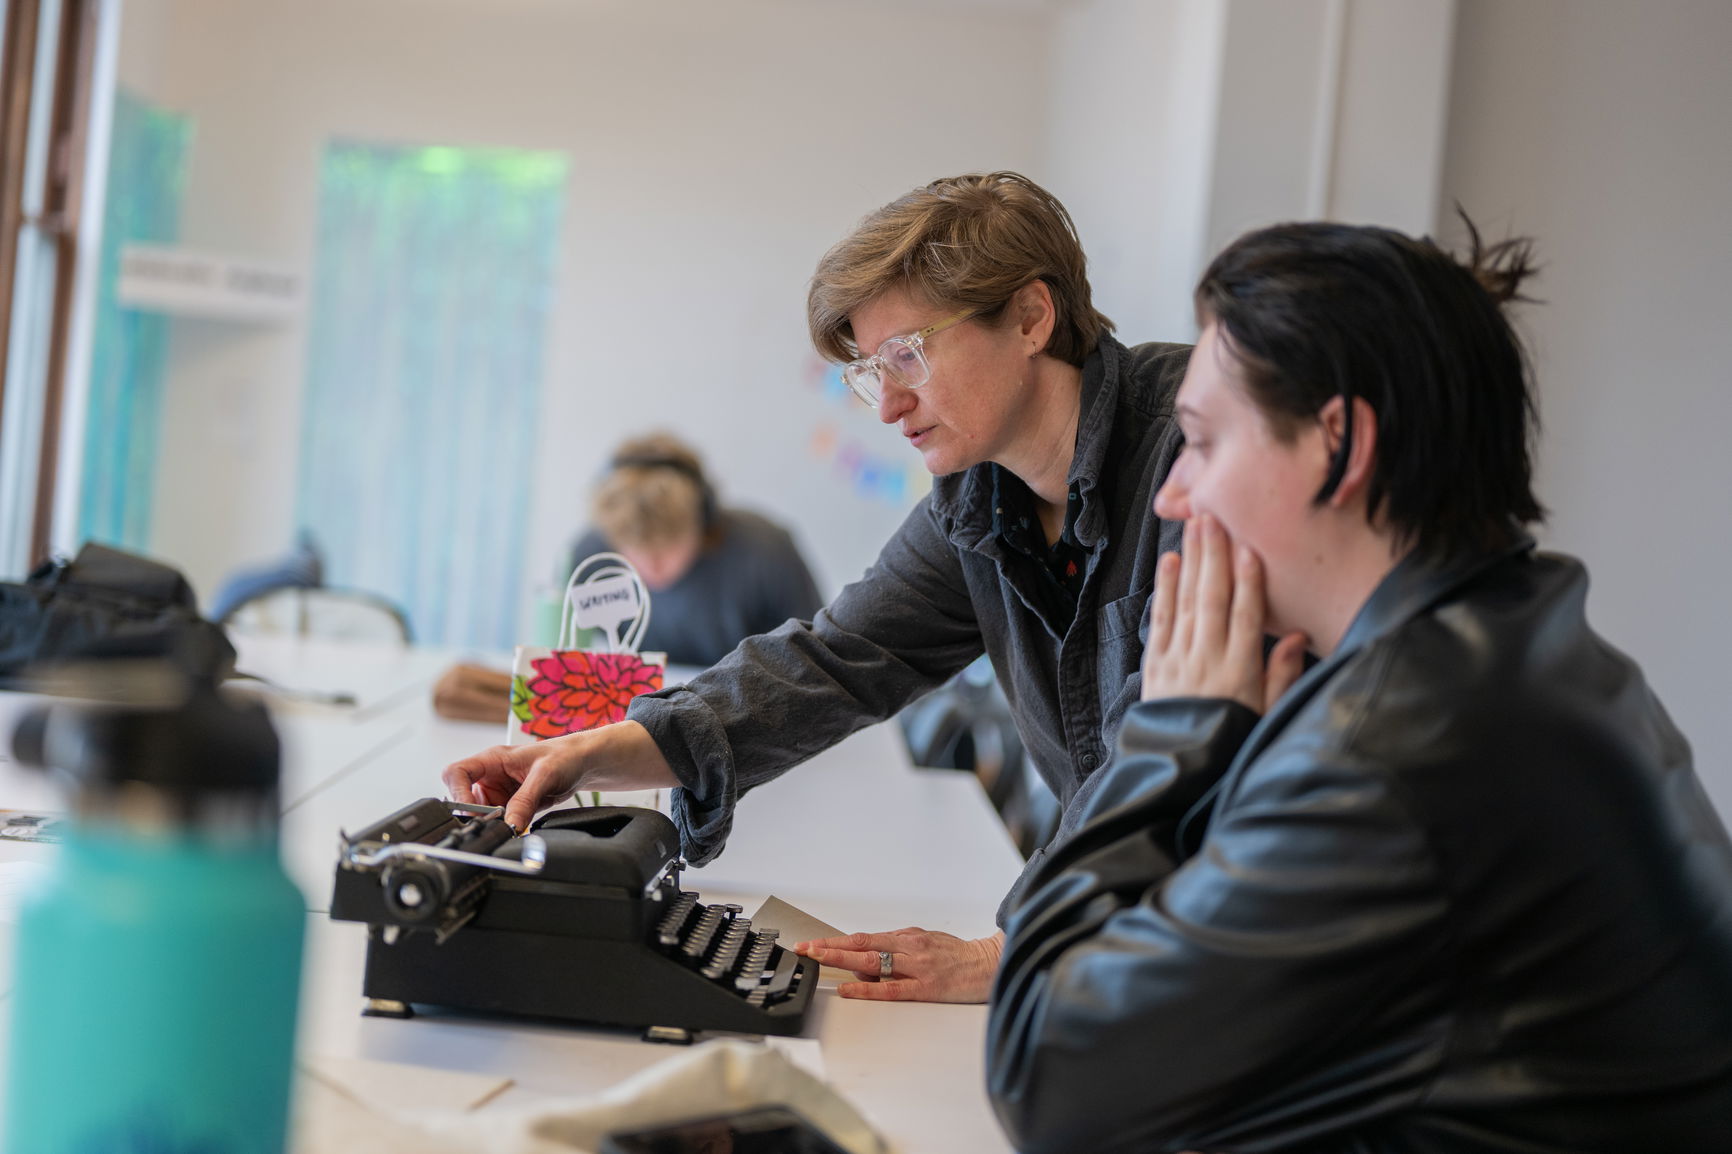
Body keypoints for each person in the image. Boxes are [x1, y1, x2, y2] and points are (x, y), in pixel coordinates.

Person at [985, 220, 1732, 1152]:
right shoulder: (1521, 639)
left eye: (1203, 444)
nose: (1174, 497)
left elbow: (1049, 1082)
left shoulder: (1394, 750)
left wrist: (1168, 739)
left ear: (1340, 445)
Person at [444, 172, 1192, 1002]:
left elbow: (1164, 759)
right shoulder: (977, 499)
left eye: (909, 353)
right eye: (871, 371)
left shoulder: (1196, 459)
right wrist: (612, 748)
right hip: (1129, 931)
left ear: (1029, 316)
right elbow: (838, 658)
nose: (887, 405)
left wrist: (1008, 947)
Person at [569, 432, 824, 668]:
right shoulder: (591, 560)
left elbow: (815, 652)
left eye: (667, 547)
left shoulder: (766, 552)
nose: (651, 567)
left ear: (704, 519)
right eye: (635, 550)